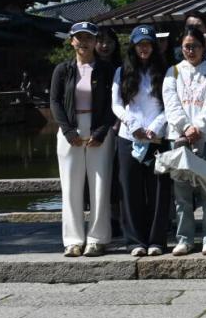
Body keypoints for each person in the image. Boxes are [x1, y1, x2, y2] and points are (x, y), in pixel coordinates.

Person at [50, 22, 116, 257]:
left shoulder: (107, 70)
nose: (84, 42)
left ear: (95, 41)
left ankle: (97, 239)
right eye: (79, 38)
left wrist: (101, 131)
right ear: (72, 41)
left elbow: (114, 102)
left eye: (88, 38)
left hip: (99, 130)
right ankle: (73, 240)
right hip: (70, 130)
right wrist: (68, 131)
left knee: (100, 185)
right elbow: (55, 101)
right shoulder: (63, 70)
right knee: (70, 187)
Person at [163, 28, 206, 256]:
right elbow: (171, 103)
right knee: (182, 191)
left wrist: (199, 127)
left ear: (203, 47)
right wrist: (186, 128)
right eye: (187, 46)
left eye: (195, 46)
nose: (191, 51)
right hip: (179, 138)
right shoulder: (173, 72)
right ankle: (184, 238)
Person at [111, 25, 169, 257]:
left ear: (154, 46)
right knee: (130, 189)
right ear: (133, 47)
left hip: (156, 138)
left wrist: (156, 127)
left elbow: (170, 104)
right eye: (140, 44)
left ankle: (157, 240)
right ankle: (135, 241)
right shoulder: (121, 72)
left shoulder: (165, 71)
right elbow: (116, 104)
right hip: (129, 137)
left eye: (148, 44)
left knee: (158, 190)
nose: (144, 48)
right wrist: (132, 124)